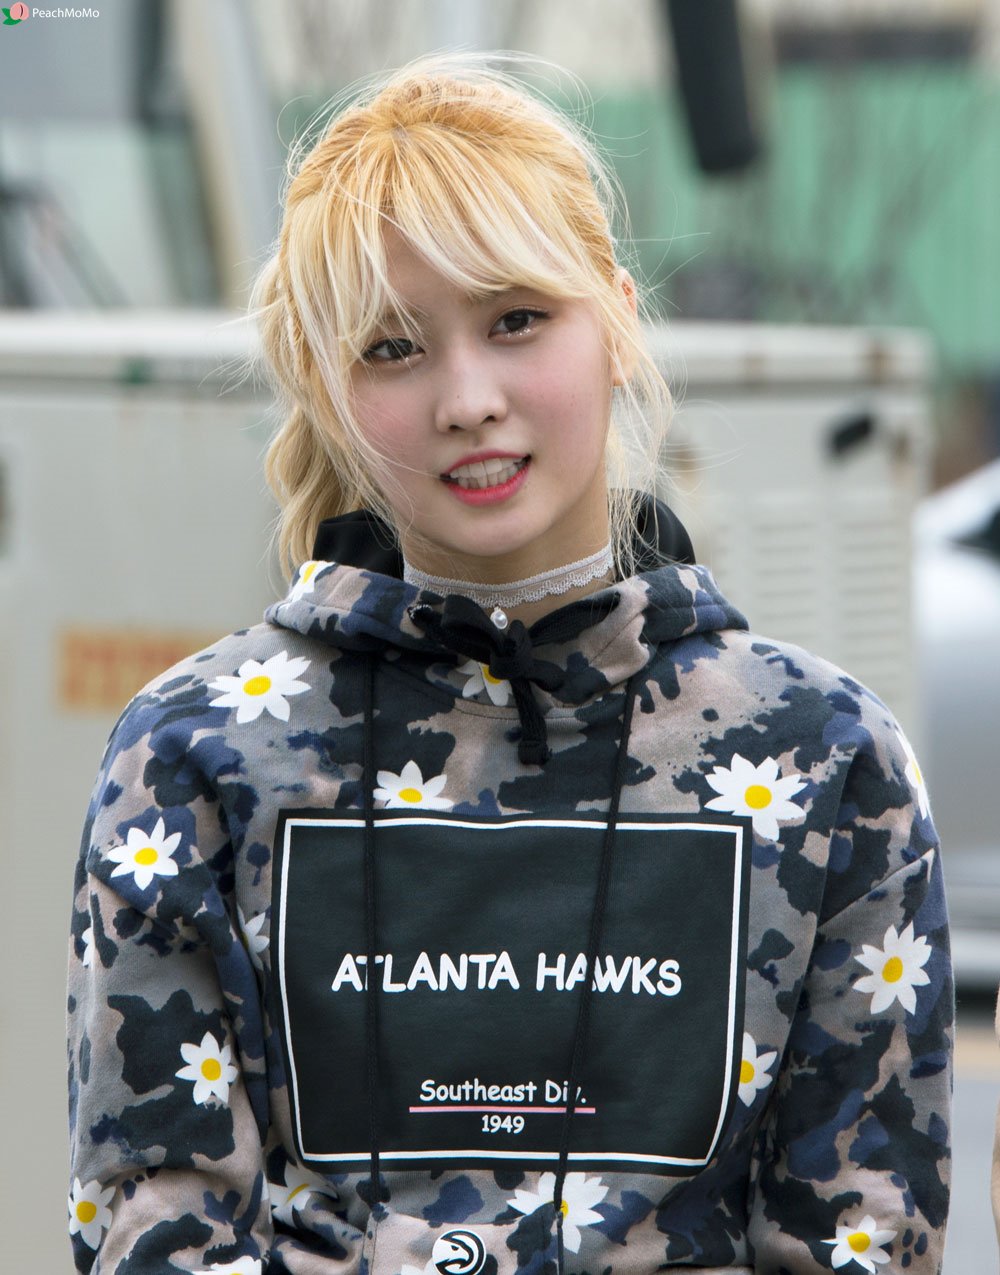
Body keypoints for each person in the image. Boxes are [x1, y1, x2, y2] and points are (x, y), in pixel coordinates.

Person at [67, 53, 953, 1275]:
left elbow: (861, 1237)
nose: (467, 399)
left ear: (618, 319)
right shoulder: (194, 756)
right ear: (325, 387)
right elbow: (157, 1225)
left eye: (517, 320)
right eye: (392, 348)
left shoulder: (828, 759)